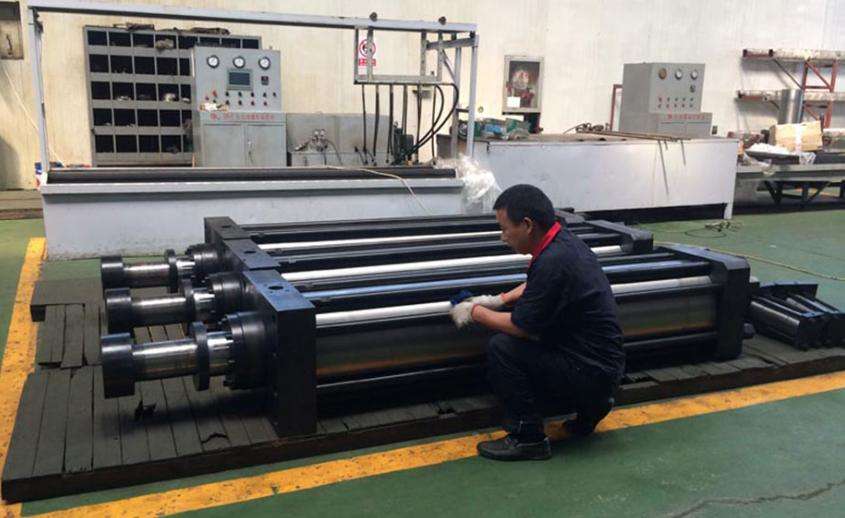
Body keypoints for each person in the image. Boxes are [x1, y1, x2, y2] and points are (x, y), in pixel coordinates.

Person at [449, 184, 625, 461]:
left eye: (505, 229)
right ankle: (593, 406)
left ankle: (527, 437)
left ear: (528, 225)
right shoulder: (564, 242)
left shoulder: (553, 261)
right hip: (605, 366)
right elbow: (537, 286)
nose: (502, 237)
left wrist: (474, 312)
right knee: (550, 340)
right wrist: (498, 300)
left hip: (589, 372)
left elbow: (520, 327)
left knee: (503, 348)